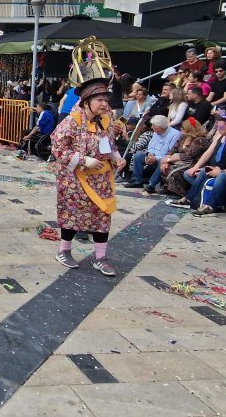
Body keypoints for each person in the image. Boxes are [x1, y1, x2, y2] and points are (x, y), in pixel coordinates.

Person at [50, 69, 126, 276]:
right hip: (74, 179)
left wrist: (117, 157)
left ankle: (101, 258)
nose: (104, 103)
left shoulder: (108, 119)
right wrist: (85, 160)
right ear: (86, 101)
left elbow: (110, 144)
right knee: (74, 215)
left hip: (101, 178)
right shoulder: (72, 121)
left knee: (102, 215)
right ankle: (64, 250)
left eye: (106, 99)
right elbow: (58, 149)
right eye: (99, 99)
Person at [124, 115, 181, 193]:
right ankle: (137, 180)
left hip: (165, 157)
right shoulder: (156, 132)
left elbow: (170, 152)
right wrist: (150, 154)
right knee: (139, 155)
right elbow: (151, 146)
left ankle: (151, 185)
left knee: (162, 161)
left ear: (160, 128)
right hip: (153, 155)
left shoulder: (175, 134)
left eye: (153, 126)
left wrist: (156, 158)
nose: (151, 127)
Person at [161, 117, 213, 198]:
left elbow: (188, 155)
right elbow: (172, 150)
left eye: (183, 128)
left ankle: (181, 192)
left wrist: (169, 159)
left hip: (193, 163)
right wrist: (166, 161)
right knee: (162, 165)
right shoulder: (183, 138)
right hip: (180, 161)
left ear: (190, 129)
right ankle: (161, 186)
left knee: (176, 171)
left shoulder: (200, 140)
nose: (181, 129)